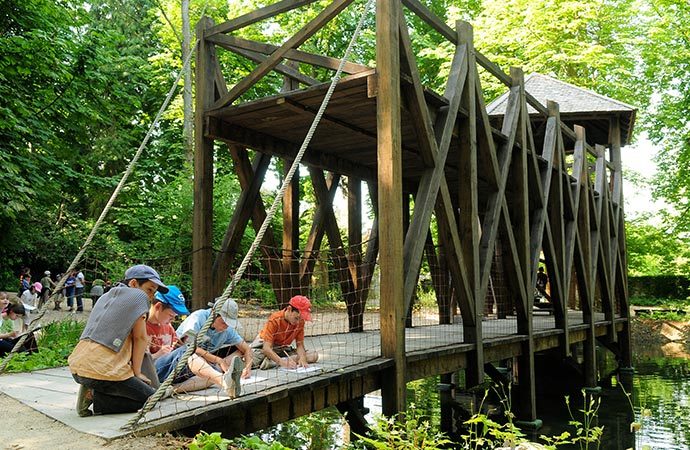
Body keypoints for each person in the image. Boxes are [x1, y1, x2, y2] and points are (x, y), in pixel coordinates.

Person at [68, 264, 169, 417]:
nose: (150, 296)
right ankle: (95, 397)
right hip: (104, 370)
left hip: (78, 365)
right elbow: (140, 338)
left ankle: (90, 388)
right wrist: (137, 373)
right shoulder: (138, 296)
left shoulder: (106, 296)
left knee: (129, 389)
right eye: (149, 289)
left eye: (153, 293)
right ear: (134, 283)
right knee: (152, 400)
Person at [154, 298, 251, 398]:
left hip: (198, 366)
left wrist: (248, 367)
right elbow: (189, 347)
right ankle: (226, 382)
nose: (226, 327)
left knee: (215, 372)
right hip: (174, 365)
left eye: (229, 324)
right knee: (190, 354)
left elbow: (246, 349)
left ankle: (172, 389)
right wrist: (218, 360)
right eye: (224, 322)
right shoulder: (197, 318)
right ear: (214, 314)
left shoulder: (228, 330)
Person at [251, 295, 319, 370]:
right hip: (264, 345)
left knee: (313, 356)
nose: (298, 322)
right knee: (251, 362)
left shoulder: (300, 322)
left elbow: (299, 344)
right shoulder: (275, 319)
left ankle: (273, 362)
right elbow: (266, 348)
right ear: (289, 309)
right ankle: (278, 361)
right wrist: (283, 363)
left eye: (300, 319)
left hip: (282, 348)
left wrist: (302, 358)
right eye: (296, 318)